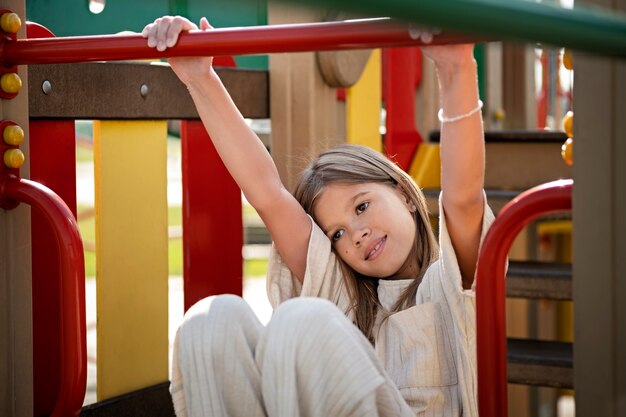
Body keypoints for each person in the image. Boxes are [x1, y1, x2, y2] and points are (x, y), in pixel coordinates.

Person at [143, 15, 491, 417]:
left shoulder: (450, 283)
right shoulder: (345, 301)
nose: (356, 234)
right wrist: (200, 80)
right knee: (211, 320)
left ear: (405, 195)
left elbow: (463, 199)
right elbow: (268, 195)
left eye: (362, 206)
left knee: (301, 321)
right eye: (338, 233)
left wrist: (455, 68)